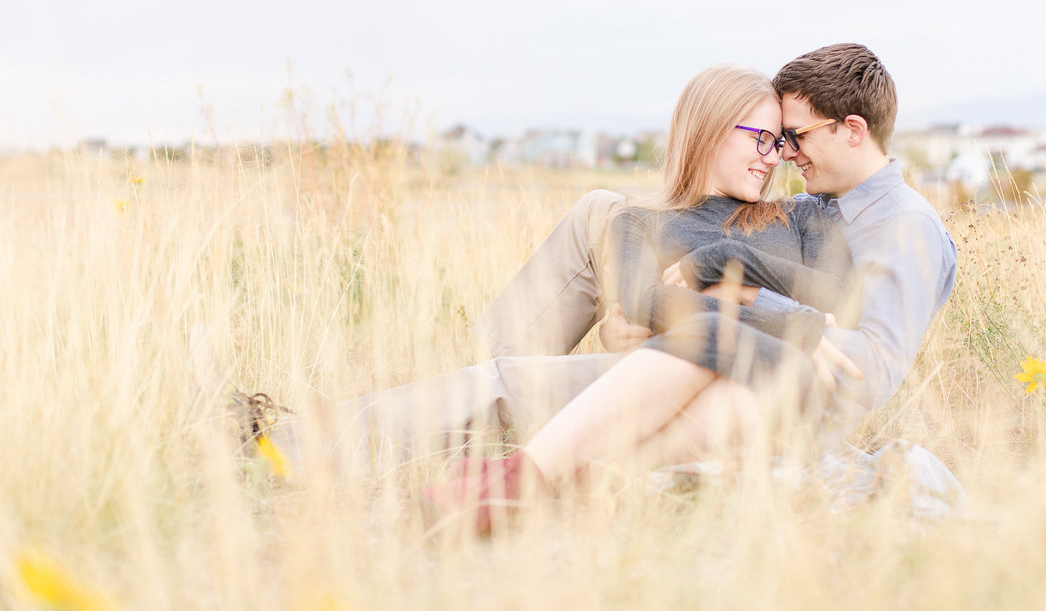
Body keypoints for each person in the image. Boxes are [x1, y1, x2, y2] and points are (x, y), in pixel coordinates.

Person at [254, 44, 955, 497]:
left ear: (852, 131)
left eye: (793, 139)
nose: (786, 155)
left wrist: (754, 308)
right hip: (705, 336)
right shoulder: (829, 203)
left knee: (507, 385)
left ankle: (297, 446)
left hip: (726, 365)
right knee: (600, 214)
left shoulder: (904, 228)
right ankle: (434, 395)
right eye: (774, 139)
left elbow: (870, 366)